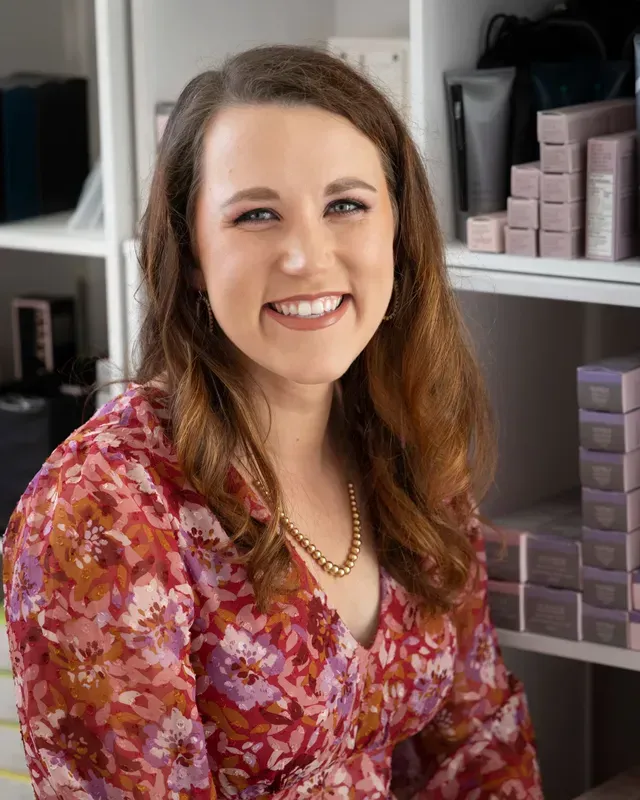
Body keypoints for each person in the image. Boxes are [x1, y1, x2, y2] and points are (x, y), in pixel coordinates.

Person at [2, 45, 541, 799]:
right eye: (256, 215)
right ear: (192, 255)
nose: (305, 257)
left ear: (397, 229)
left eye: (345, 205)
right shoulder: (104, 513)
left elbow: (475, 745)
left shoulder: (405, 442)